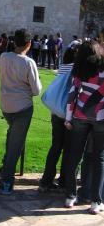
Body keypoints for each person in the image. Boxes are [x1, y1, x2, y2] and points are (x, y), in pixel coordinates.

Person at [0, 28, 42, 194]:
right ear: (29, 44)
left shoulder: (3, 57)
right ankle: (7, 181)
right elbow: (36, 90)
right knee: (16, 144)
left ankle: (5, 165)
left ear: (14, 42)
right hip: (22, 107)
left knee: (12, 135)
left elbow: (1, 77)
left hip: (6, 105)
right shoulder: (28, 62)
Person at [64, 40, 104, 214]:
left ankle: (70, 196)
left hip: (79, 115)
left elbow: (72, 96)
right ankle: (96, 201)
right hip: (99, 117)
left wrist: (68, 118)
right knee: (99, 159)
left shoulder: (78, 69)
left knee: (75, 156)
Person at [39, 46, 79, 192]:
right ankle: (64, 181)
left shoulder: (63, 67)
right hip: (68, 113)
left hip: (55, 111)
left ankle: (46, 180)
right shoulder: (76, 69)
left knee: (56, 146)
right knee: (68, 149)